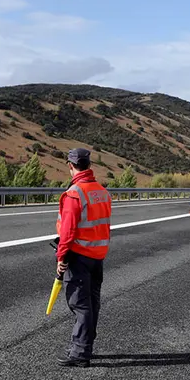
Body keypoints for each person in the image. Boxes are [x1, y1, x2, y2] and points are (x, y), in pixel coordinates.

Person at [55, 148, 112, 368]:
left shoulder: (74, 194)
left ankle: (80, 353)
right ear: (89, 165)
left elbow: (67, 232)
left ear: (70, 166)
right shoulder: (102, 192)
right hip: (98, 256)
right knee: (92, 304)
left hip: (79, 256)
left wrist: (61, 258)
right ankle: (85, 345)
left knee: (80, 305)